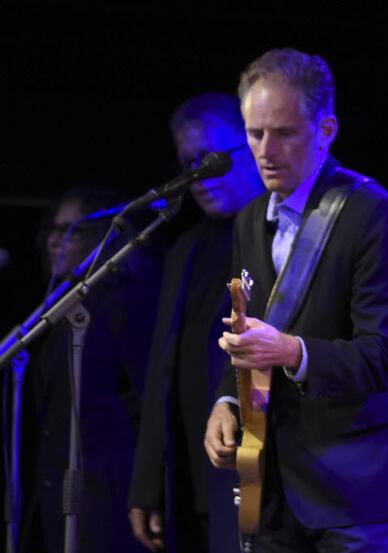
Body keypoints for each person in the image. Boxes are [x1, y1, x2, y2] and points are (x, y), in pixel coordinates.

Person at [203, 48, 388, 552]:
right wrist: (225, 400)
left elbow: (387, 356)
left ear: (326, 129)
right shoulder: (248, 220)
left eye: (284, 133)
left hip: (357, 488)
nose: (266, 150)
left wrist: (291, 351)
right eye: (254, 133)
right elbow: (248, 333)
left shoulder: (375, 216)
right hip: (274, 483)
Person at [127, 92, 264, 552]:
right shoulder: (183, 250)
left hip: (249, 467)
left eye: (210, 157)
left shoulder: (273, 233)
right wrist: (148, 484)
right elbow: (160, 373)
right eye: (189, 162)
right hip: (189, 473)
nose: (198, 175)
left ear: (248, 146)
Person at [22, 186, 161, 553]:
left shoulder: (124, 303)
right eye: (53, 229)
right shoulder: (56, 308)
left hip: (108, 488)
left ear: (101, 238)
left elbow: (147, 397)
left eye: (74, 231)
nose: (57, 240)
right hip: (59, 484)